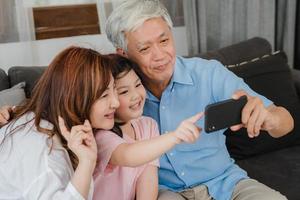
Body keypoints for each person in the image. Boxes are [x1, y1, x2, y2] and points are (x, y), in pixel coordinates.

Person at [104, 0, 294, 200]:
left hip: (225, 183)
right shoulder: (116, 94)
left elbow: (286, 121)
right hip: (164, 191)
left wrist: (270, 119)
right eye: (144, 49)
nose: (160, 55)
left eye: (164, 41)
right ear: (123, 53)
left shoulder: (209, 74)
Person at [0, 46, 120, 199]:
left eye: (114, 89)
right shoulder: (41, 147)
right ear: (74, 97)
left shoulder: (46, 125)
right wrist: (87, 162)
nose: (116, 102)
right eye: (104, 95)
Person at [93, 54, 202, 200]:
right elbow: (129, 155)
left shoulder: (148, 125)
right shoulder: (101, 136)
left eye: (138, 85)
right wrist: (175, 136)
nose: (136, 95)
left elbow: (148, 180)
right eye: (124, 92)